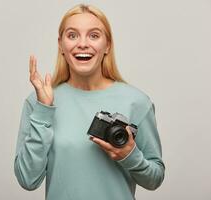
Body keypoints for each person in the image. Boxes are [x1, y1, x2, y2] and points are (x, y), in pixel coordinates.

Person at [14, 4, 165, 200]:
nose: (83, 44)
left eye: (94, 35)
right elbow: (27, 180)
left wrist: (129, 155)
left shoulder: (136, 102)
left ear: (107, 45)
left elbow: (155, 179)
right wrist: (44, 110)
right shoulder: (38, 101)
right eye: (72, 35)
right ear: (61, 45)